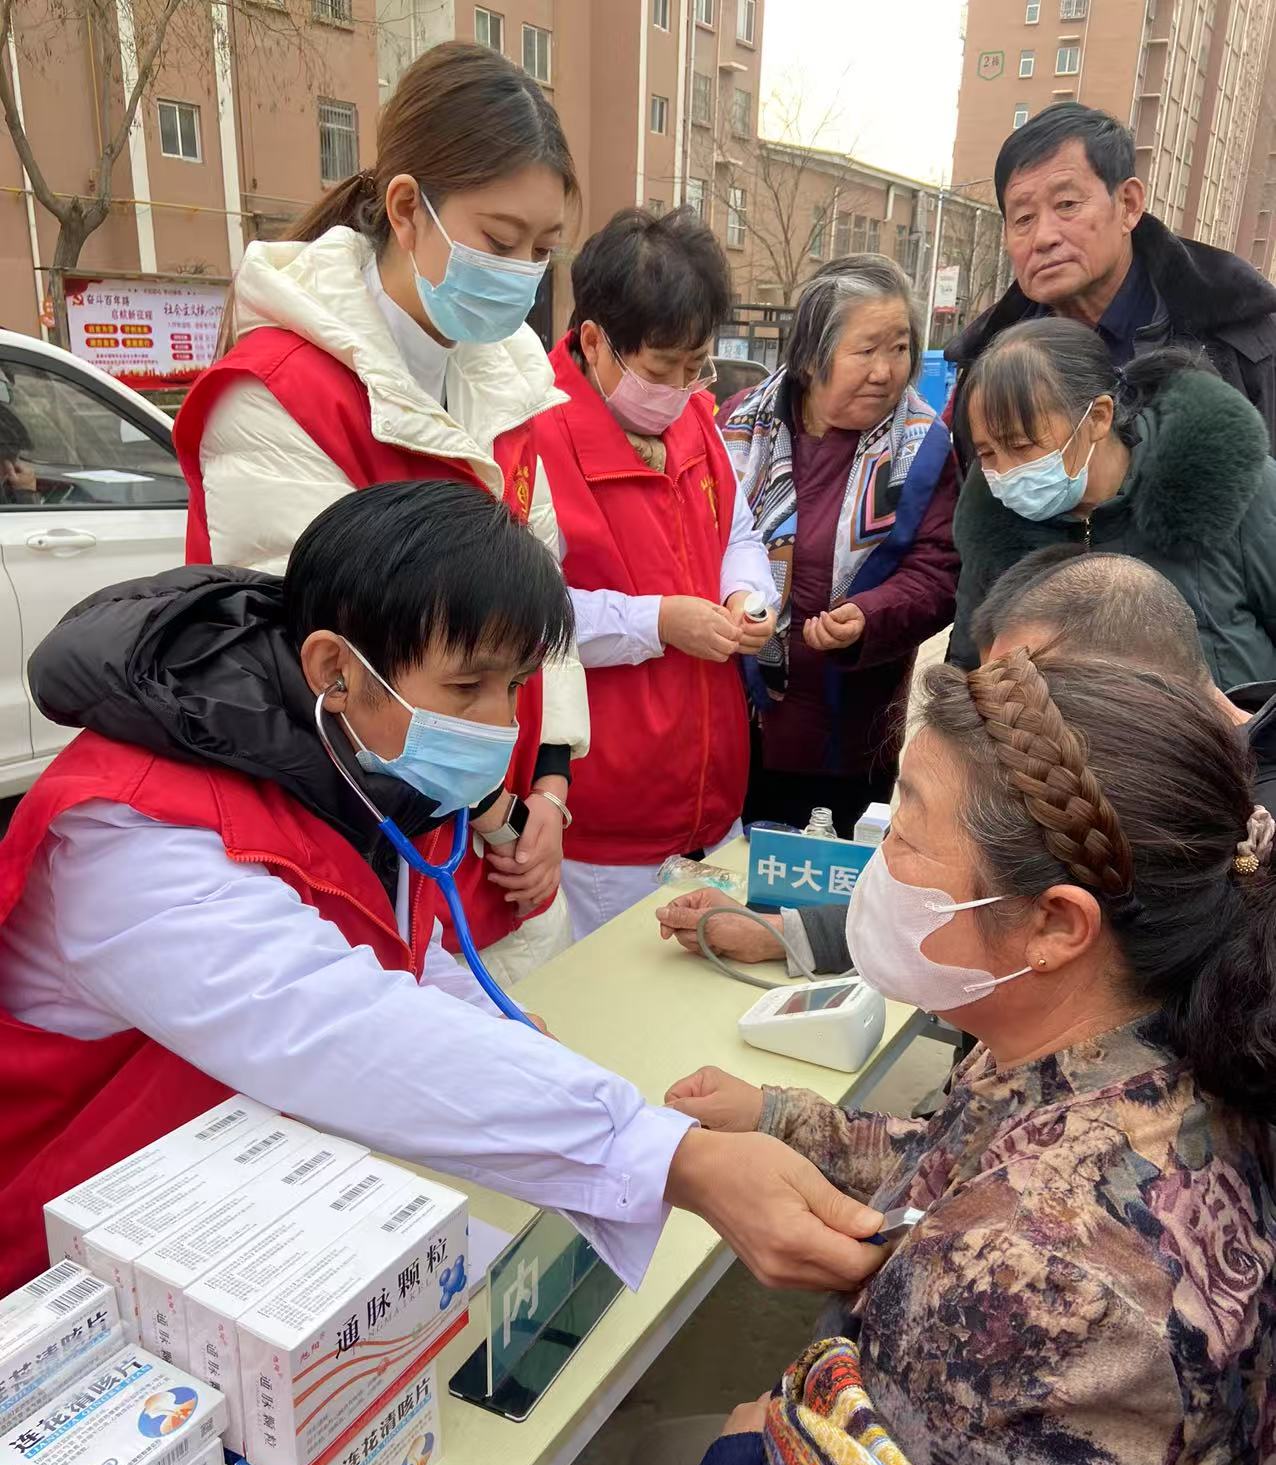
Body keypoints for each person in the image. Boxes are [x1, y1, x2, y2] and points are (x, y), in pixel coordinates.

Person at [492, 650, 1276, 1465]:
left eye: (907, 832)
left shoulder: (1033, 1272)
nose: (879, 867)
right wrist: (774, 1118)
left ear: (1055, 925)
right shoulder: (1147, 1041)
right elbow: (943, 1157)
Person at [0, 483, 888, 1294]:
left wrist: (499, 1036)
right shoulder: (131, 837)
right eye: (468, 687)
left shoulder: (352, 766)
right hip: (68, 1255)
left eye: (515, 687)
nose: (500, 724)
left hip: (228, 1207)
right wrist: (664, 1157)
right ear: (333, 669)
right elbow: (330, 1021)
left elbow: (397, 955)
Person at [172, 41, 588, 989]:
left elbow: (542, 610)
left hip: (487, 826)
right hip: (363, 832)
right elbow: (326, 668)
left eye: (543, 249)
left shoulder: (506, 383)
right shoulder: (283, 393)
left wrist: (551, 787)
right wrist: (497, 811)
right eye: (500, 241)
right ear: (407, 209)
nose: (523, 273)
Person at [656, 545, 1276, 970]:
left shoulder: (1202, 829)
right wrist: (786, 934)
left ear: (1130, 691)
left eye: (1032, 699)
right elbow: (977, 906)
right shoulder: (1110, 780)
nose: (1003, 729)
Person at [531, 207, 776, 937]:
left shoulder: (694, 419)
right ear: (594, 341)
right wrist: (658, 622)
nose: (680, 387)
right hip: (606, 827)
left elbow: (738, 531)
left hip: (713, 799)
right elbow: (527, 616)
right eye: (662, 368)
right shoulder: (534, 436)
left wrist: (746, 594)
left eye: (696, 367)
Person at [721, 256, 959, 838]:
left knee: (826, 875)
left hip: (847, 732)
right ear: (810, 357)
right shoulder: (739, 426)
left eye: (899, 348)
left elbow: (938, 570)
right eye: (867, 350)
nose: (885, 371)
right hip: (732, 714)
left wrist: (869, 616)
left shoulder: (921, 448)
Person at [948, 320, 1276, 676]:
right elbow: (968, 664)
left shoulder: (1234, 485)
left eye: (1021, 445)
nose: (1006, 471)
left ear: (1098, 417)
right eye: (987, 453)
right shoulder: (991, 531)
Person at [946, 103, 1276, 452]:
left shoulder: (1241, 342)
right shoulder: (987, 364)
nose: (1043, 237)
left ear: (1128, 205)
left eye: (1067, 204)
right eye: (1024, 218)